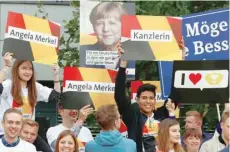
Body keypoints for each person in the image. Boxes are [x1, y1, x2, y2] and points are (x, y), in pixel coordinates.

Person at [115, 50, 176, 152]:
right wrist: (123, 64)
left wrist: (180, 60)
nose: (148, 101)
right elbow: (119, 95)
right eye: (144, 98)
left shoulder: (162, 115)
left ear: (155, 100)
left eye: (151, 98)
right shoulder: (132, 117)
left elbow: (175, 94)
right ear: (137, 100)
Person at [0, 52, 61, 136]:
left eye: (30, 69)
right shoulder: (9, 85)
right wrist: (7, 66)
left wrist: (56, 75)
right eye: (24, 68)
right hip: (7, 134)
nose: (28, 72)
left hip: (27, 135)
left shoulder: (35, 87)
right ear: (16, 69)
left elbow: (56, 95)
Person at [80, 2, 135, 71]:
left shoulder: (134, 55)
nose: (105, 29)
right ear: (93, 27)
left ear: (123, 26)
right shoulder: (82, 52)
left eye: (112, 23)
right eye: (100, 23)